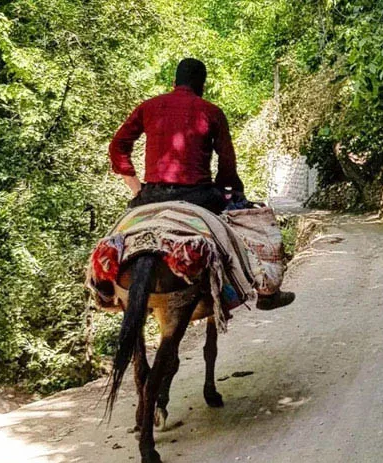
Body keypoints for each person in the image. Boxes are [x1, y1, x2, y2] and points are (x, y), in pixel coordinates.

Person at [109, 58, 294, 310]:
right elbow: (227, 162)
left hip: (151, 195)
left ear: (173, 83)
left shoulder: (148, 107)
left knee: (118, 236)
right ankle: (265, 290)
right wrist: (229, 188)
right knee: (242, 233)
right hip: (199, 197)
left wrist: (134, 186)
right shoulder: (211, 111)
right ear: (202, 86)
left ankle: (106, 287)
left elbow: (117, 145)